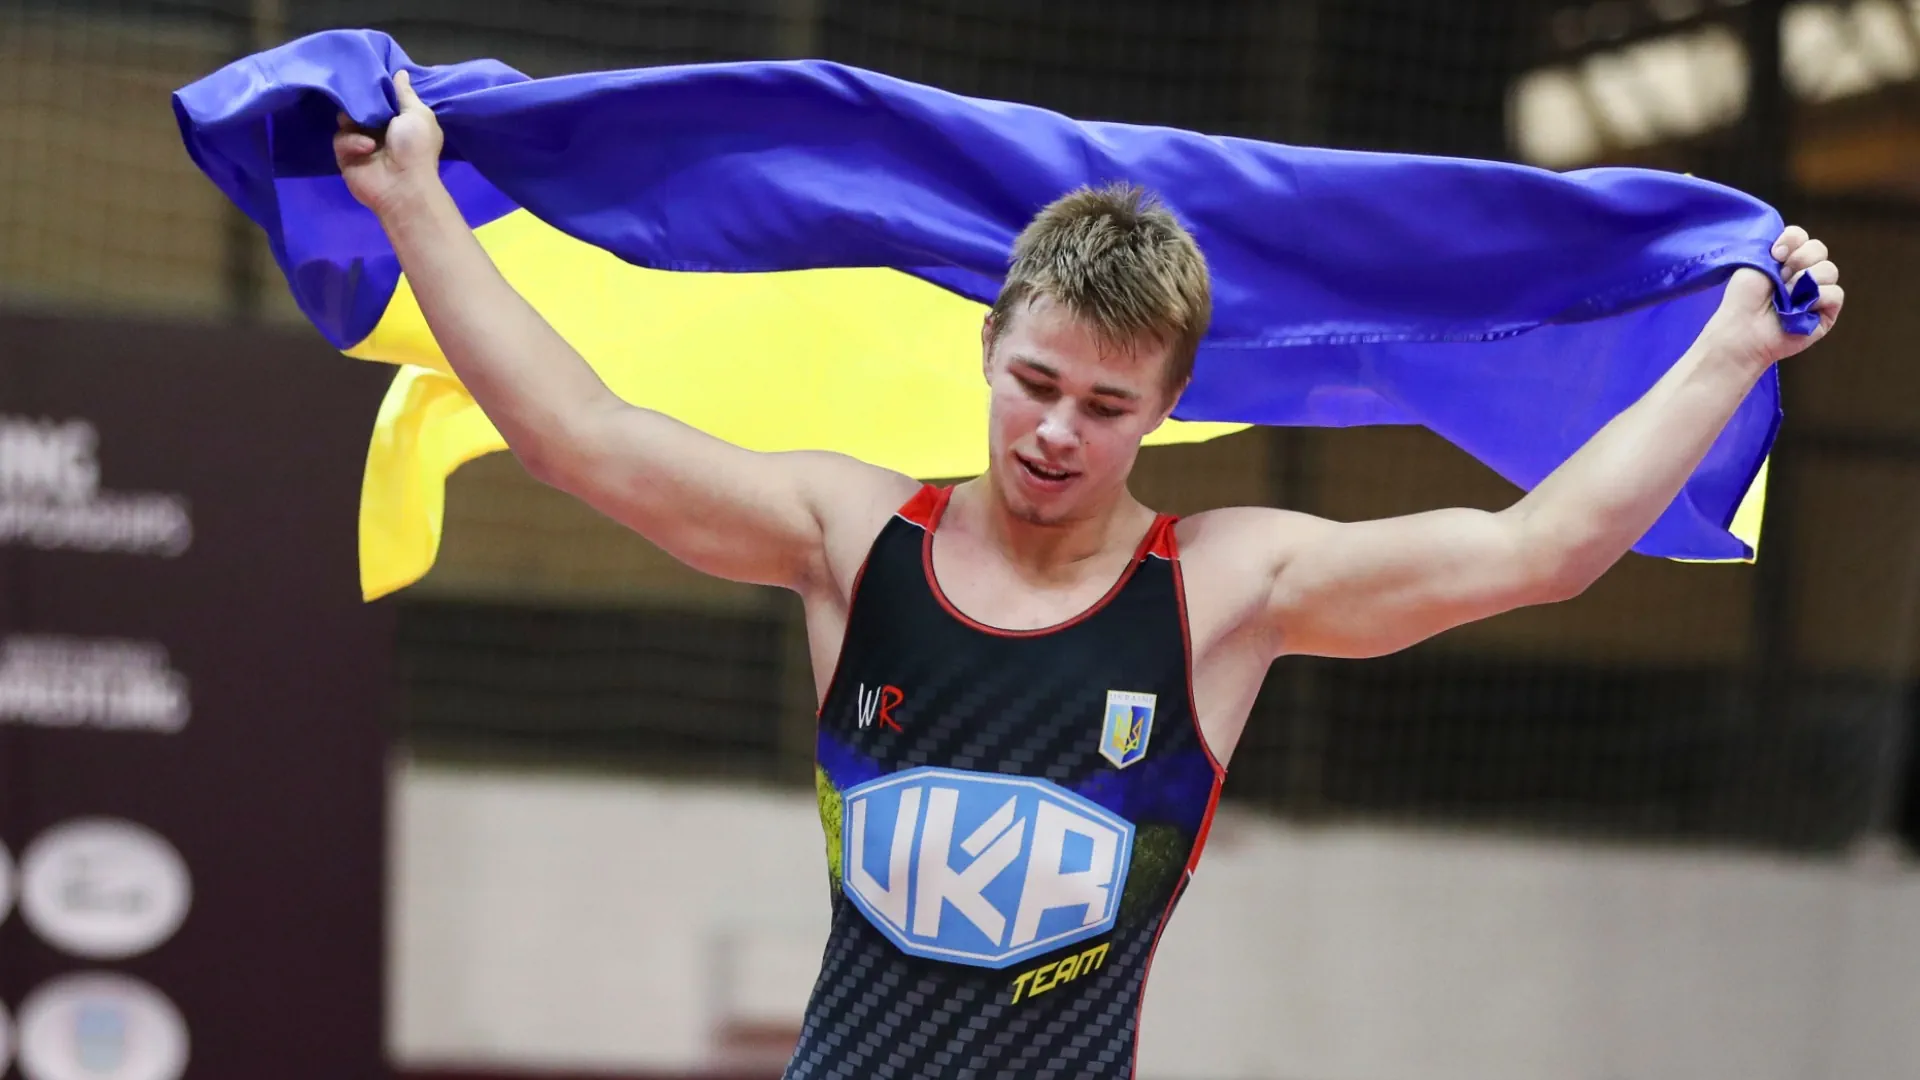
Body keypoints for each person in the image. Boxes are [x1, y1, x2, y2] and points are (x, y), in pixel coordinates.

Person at [336, 69, 1844, 1079]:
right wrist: (410, 204)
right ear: (987, 355)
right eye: (1036, 384)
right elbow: (577, 435)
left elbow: (1539, 552)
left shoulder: (1225, 591)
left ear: (1166, 411)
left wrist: (1731, 347)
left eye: (1107, 407)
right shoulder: (854, 541)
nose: (1057, 432)